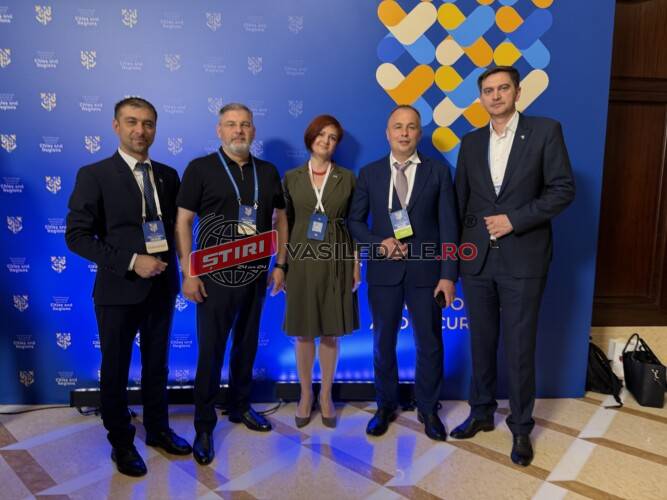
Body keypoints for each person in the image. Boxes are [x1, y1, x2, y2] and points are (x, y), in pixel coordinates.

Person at [452, 66, 575, 466]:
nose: (496, 95)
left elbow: (563, 189)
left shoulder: (545, 131)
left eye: (503, 88)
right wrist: (454, 259)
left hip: (524, 258)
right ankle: (481, 412)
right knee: (481, 342)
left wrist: (515, 220)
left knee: (520, 347)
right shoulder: (470, 142)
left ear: (517, 92)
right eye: (488, 90)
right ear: (481, 98)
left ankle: (521, 427)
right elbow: (460, 202)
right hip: (477, 260)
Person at [65, 97, 191, 477]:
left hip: (162, 288)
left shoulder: (168, 175)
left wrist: (185, 270)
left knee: (157, 365)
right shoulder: (95, 174)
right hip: (118, 290)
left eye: (148, 123)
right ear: (116, 126)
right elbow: (77, 236)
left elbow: (175, 228)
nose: (141, 130)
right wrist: (133, 261)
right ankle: (121, 442)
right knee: (116, 368)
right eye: (132, 122)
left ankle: (158, 430)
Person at [175, 103, 288, 466]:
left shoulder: (267, 171)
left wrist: (280, 264)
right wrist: (188, 272)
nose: (239, 130)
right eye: (231, 124)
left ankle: (240, 406)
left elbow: (281, 218)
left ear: (253, 131)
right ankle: (204, 426)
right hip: (213, 277)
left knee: (246, 346)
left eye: (245, 125)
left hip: (255, 275)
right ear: (219, 130)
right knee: (211, 352)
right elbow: (183, 222)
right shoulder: (200, 168)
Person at [348, 105, 459, 441]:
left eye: (411, 127)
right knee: (383, 342)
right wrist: (378, 244)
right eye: (398, 126)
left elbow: (449, 228)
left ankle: (428, 408)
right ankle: (385, 405)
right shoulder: (370, 173)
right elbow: (354, 222)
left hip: (427, 274)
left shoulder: (438, 172)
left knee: (430, 343)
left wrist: (448, 275)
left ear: (419, 133)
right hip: (384, 273)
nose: (404, 133)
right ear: (388, 133)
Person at [277, 115, 360, 429]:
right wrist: (282, 264)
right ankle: (305, 395)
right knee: (303, 330)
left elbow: (355, 224)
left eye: (332, 137)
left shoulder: (348, 178)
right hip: (300, 259)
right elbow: (283, 225)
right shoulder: (291, 178)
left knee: (330, 330)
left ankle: (325, 395)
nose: (326, 141)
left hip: (337, 258)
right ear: (310, 138)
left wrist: (356, 263)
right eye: (321, 135)